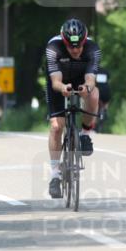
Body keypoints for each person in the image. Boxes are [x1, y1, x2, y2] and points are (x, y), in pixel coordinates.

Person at [45, 18, 101, 199]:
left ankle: (85, 135)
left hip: (81, 78)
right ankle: (55, 174)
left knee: (93, 94)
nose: (75, 50)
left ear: (84, 41)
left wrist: (87, 88)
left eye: (79, 46)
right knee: (56, 126)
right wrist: (64, 89)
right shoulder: (53, 48)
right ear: (64, 42)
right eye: (71, 47)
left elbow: (91, 79)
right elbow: (55, 82)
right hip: (59, 82)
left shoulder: (93, 49)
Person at [95, 66, 112, 132]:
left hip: (98, 91)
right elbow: (108, 78)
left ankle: (96, 120)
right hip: (106, 90)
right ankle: (105, 109)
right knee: (107, 100)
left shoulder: (93, 71)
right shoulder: (105, 71)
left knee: (96, 105)